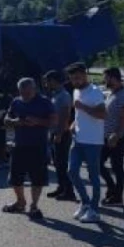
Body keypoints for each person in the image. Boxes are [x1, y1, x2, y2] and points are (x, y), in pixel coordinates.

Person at [2, 77, 56, 220]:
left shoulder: (45, 102)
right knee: (15, 178)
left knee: (37, 179)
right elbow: (6, 119)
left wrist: (37, 121)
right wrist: (15, 122)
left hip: (38, 146)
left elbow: (53, 121)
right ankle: (20, 202)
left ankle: (34, 205)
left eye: (28, 92)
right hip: (19, 145)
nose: (25, 95)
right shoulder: (16, 102)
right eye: (22, 92)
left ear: (34, 89)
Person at [66, 62, 106, 224]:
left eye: (77, 77)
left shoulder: (95, 92)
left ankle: (94, 210)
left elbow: (102, 114)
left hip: (93, 141)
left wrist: (82, 107)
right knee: (72, 171)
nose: (75, 81)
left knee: (93, 176)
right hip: (78, 139)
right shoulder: (76, 91)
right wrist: (74, 124)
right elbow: (79, 114)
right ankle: (85, 202)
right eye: (72, 79)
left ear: (85, 75)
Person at [100, 67, 124, 206]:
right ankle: (112, 188)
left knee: (117, 167)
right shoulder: (111, 93)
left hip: (116, 138)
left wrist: (117, 135)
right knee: (97, 163)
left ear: (113, 77)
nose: (104, 80)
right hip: (106, 136)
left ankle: (117, 197)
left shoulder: (123, 95)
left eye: (106, 77)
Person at [43, 70, 75, 201]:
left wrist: (60, 133)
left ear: (54, 81)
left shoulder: (64, 95)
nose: (46, 84)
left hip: (62, 133)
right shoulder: (55, 94)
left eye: (47, 81)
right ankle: (61, 187)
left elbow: (65, 116)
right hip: (54, 132)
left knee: (62, 163)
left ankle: (69, 191)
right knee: (57, 163)